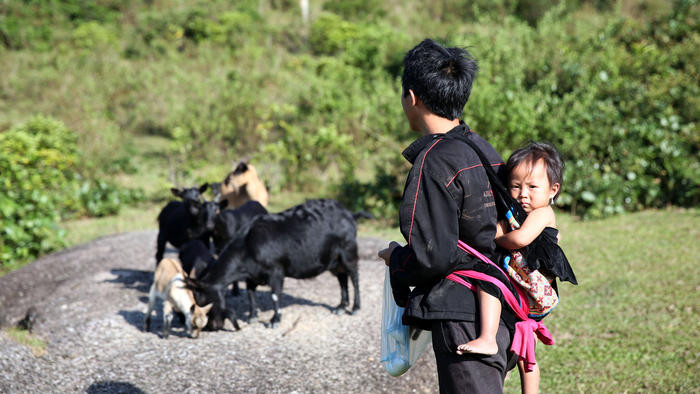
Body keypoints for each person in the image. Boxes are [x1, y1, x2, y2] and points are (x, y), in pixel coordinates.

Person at [378, 38, 518, 393]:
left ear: (412, 98)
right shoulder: (482, 148)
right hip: (501, 308)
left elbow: (433, 255)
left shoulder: (434, 161)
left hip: (463, 316)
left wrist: (396, 257)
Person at [456, 142, 570, 394]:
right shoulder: (517, 214)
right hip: (526, 287)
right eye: (515, 186)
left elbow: (519, 239)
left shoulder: (543, 213)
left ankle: (487, 338)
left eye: (532, 187)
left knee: (488, 282)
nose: (523, 194)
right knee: (525, 351)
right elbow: (496, 228)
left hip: (534, 291)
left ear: (553, 190)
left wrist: (495, 238)